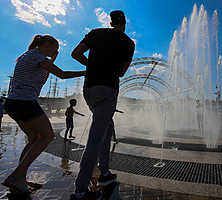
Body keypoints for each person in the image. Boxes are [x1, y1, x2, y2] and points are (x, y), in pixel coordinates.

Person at [1, 34, 85, 194]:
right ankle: (16, 176)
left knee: (34, 138)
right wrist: (85, 72)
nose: (57, 51)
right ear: (46, 45)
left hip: (14, 102)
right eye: (56, 48)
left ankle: (20, 179)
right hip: (24, 101)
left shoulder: (31, 56)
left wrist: (52, 59)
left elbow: (42, 74)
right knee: (47, 136)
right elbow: (62, 74)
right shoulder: (36, 56)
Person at [70, 10, 135, 200]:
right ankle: (81, 190)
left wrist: (91, 65)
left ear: (111, 21)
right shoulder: (129, 43)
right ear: (124, 23)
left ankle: (105, 172)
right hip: (108, 89)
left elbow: (75, 53)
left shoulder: (96, 33)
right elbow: (122, 72)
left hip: (89, 89)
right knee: (95, 137)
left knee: (107, 125)